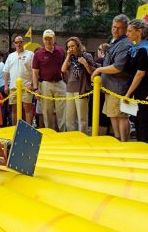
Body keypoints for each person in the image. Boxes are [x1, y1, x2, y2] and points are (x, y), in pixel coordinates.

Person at [91, 14, 132, 142]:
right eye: (114, 27)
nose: (115, 30)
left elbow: (118, 67)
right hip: (110, 87)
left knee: (121, 116)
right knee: (113, 116)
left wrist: (98, 69)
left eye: (119, 28)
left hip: (119, 87)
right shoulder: (115, 41)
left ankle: (123, 143)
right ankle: (117, 140)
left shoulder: (125, 43)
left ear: (125, 29)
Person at [32, 29, 66, 131]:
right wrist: (35, 88)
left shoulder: (60, 51)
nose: (48, 41)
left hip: (60, 82)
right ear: (43, 40)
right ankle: (49, 131)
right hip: (45, 84)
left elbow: (65, 67)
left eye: (50, 38)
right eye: (46, 39)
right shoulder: (38, 53)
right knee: (47, 111)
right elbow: (35, 72)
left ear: (54, 38)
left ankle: (63, 132)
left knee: (63, 110)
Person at [61, 37, 95, 134]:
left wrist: (85, 63)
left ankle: (83, 137)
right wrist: (67, 56)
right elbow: (63, 70)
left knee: (82, 117)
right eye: (69, 47)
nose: (71, 48)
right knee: (69, 117)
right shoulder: (70, 58)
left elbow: (91, 72)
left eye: (72, 46)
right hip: (70, 89)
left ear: (78, 46)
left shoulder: (86, 55)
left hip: (81, 89)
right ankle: (72, 136)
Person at [124, 19, 148, 142]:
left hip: (145, 91)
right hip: (136, 90)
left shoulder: (144, 49)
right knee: (137, 121)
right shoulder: (133, 48)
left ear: (139, 32)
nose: (127, 33)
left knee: (144, 123)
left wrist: (128, 94)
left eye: (129, 31)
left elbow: (140, 73)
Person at [4, 35, 34, 125]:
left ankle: (28, 129)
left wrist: (31, 83)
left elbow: (34, 71)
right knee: (14, 109)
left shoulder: (30, 54)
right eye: (17, 42)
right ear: (14, 44)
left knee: (27, 108)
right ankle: (14, 128)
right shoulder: (11, 56)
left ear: (23, 43)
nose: (19, 44)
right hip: (13, 86)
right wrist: (6, 85)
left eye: (21, 42)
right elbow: (6, 71)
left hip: (26, 86)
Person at [0, 51, 10, 126]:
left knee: (2, 107)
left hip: (1, 87)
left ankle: (2, 124)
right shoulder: (11, 64)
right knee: (11, 106)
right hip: (11, 87)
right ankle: (11, 123)